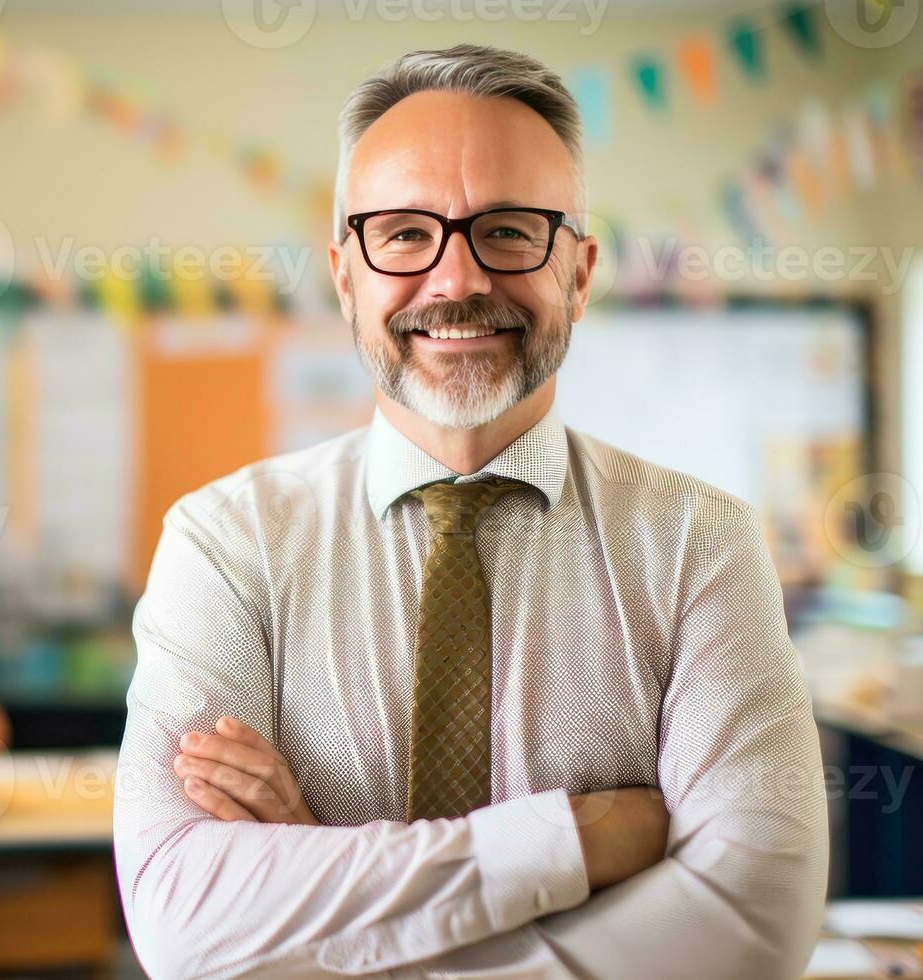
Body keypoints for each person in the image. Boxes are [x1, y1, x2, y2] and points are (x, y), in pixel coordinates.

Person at [113, 43, 828, 978]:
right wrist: (574, 841)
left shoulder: (703, 544)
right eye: (406, 234)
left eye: (509, 230)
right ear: (346, 277)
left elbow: (751, 922)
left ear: (578, 271)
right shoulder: (225, 543)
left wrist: (316, 883)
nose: (457, 282)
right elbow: (180, 919)